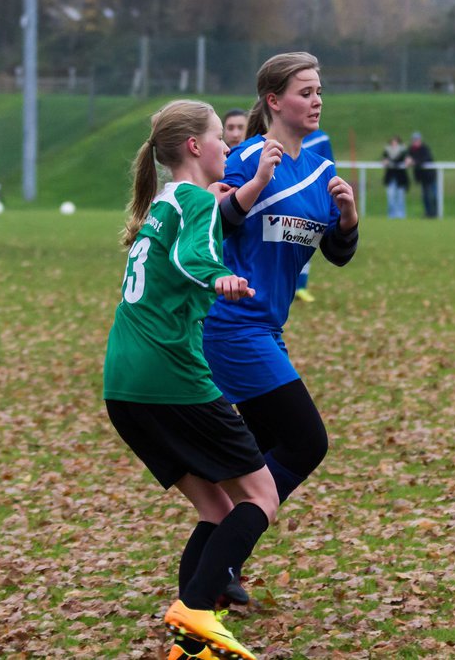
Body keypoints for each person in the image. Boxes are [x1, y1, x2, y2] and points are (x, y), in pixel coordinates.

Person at [103, 99, 282, 660]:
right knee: (261, 494)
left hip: (124, 382)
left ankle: (189, 640)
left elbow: (181, 252)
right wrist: (219, 277)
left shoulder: (164, 201)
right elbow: (190, 259)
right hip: (168, 377)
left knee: (217, 510)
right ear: (195, 148)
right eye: (219, 137)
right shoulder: (196, 200)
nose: (229, 145)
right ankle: (196, 610)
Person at [202, 52, 359, 605]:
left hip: (267, 329)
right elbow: (212, 225)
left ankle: (209, 568)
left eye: (320, 91)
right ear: (274, 101)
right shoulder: (247, 157)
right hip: (231, 326)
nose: (317, 101)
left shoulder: (319, 166)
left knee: (258, 460)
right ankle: (214, 566)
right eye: (305, 92)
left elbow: (334, 254)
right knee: (305, 442)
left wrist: (347, 221)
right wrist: (256, 181)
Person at [293, 126, 334, 303]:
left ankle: (301, 287)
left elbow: (328, 168)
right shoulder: (282, 136)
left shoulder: (321, 139)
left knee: (306, 241)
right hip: (286, 198)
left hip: (310, 200)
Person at [407, 131, 437, 219]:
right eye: (414, 140)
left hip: (430, 176)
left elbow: (426, 159)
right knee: (425, 196)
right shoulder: (411, 150)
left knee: (434, 196)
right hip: (422, 177)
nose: (416, 141)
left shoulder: (425, 148)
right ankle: (428, 213)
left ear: (420, 140)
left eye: (417, 140)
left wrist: (414, 161)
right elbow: (407, 158)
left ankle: (435, 213)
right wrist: (408, 160)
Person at [381, 134, 409, 218]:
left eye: (395, 142)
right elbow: (384, 160)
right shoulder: (387, 151)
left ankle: (401, 215)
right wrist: (385, 162)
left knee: (400, 198)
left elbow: (407, 160)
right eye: (393, 142)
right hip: (390, 178)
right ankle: (391, 215)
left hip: (401, 178)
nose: (394, 144)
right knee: (391, 197)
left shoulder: (403, 151)